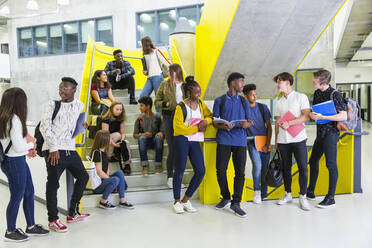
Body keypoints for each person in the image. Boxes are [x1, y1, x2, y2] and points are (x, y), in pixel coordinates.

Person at [40, 77, 90, 232]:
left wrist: (82, 126)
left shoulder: (79, 106)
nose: (61, 91)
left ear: (74, 90)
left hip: (70, 148)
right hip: (54, 150)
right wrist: (54, 148)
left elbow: (73, 126)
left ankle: (72, 213)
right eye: (60, 88)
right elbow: (44, 126)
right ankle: (53, 220)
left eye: (65, 88)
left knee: (83, 177)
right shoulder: (52, 105)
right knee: (53, 184)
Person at [0, 88, 49, 242]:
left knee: (29, 192)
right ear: (19, 102)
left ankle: (31, 226)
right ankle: (10, 231)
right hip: (14, 161)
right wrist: (31, 144)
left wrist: (25, 144)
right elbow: (19, 147)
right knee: (17, 196)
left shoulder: (4, 116)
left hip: (15, 160)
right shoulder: (13, 119)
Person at [213, 72, 253, 218]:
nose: (243, 84)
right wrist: (224, 126)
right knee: (220, 171)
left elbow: (250, 121)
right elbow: (214, 122)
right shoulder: (220, 100)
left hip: (240, 141)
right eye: (241, 81)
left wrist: (245, 124)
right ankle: (225, 197)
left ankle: (236, 203)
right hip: (224, 140)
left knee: (240, 173)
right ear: (232, 83)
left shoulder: (244, 101)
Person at [172, 76, 213, 214]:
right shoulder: (181, 106)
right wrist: (197, 128)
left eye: (200, 92)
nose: (199, 95)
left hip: (194, 140)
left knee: (201, 170)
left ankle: (185, 200)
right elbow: (178, 128)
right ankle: (176, 201)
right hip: (181, 139)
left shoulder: (201, 104)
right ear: (189, 92)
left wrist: (205, 122)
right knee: (179, 170)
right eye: (196, 92)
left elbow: (210, 116)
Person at [307, 69, 347, 208]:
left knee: (331, 164)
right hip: (320, 134)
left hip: (331, 134)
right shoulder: (317, 93)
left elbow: (343, 116)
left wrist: (324, 117)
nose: (312, 82)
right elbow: (316, 111)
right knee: (312, 161)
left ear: (323, 82)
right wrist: (313, 115)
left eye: (314, 81)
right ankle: (310, 192)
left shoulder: (334, 94)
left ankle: (331, 198)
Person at [273, 72, 311, 211]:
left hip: (299, 138)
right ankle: (288, 194)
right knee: (286, 168)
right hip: (283, 140)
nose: (277, 85)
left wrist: (290, 123)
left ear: (287, 83)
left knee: (303, 167)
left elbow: (306, 116)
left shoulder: (301, 97)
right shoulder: (279, 102)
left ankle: (303, 197)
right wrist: (276, 139)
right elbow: (277, 123)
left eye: (279, 82)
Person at [154, 64, 185, 188]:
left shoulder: (185, 85)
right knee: (172, 148)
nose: (167, 72)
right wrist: (165, 104)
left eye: (169, 71)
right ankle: (170, 177)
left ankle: (178, 178)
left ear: (176, 72)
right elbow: (156, 101)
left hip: (182, 117)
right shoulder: (164, 84)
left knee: (180, 149)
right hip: (168, 116)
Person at [243, 84, 272, 204]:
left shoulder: (263, 107)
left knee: (265, 168)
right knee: (257, 166)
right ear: (245, 96)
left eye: (255, 94)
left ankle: (264, 194)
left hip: (264, 141)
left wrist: (268, 143)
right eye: (252, 94)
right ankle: (257, 191)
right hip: (251, 142)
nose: (255, 96)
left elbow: (269, 127)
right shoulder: (243, 110)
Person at [90, 130, 134, 210]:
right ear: (104, 140)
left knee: (120, 173)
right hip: (97, 185)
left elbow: (107, 170)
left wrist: (110, 180)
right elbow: (99, 172)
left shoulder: (104, 152)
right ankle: (103, 202)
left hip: (103, 181)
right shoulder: (97, 152)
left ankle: (122, 201)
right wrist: (111, 181)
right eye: (109, 139)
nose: (111, 140)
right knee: (115, 179)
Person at [133, 96, 164, 176]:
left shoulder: (157, 116)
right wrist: (143, 134)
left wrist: (161, 133)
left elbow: (163, 131)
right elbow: (135, 135)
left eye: (142, 105)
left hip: (155, 141)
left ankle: (158, 165)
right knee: (142, 138)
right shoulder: (139, 118)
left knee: (158, 138)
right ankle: (145, 166)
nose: (140, 108)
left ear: (148, 106)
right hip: (144, 142)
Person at [102, 101, 132, 175]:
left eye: (120, 110)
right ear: (112, 109)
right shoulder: (106, 118)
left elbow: (123, 132)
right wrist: (114, 144)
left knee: (126, 142)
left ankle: (127, 165)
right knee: (117, 135)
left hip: (116, 140)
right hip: (106, 139)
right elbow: (105, 134)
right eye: (117, 109)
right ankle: (108, 157)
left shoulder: (120, 118)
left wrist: (122, 140)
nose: (119, 111)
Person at [140, 36, 170, 103]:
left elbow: (166, 62)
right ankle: (147, 112)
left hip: (158, 76)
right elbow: (146, 69)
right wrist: (144, 72)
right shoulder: (145, 55)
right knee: (142, 96)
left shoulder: (156, 51)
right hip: (149, 78)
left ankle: (159, 113)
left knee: (158, 98)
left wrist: (174, 69)